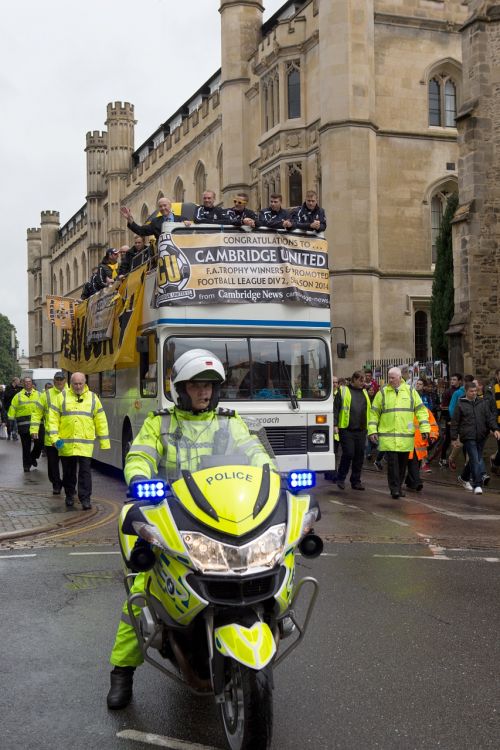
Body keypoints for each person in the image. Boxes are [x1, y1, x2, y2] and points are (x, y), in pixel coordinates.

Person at [106, 349, 275, 710]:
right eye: (198, 386)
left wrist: (269, 474)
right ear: (181, 389)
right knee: (143, 588)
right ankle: (122, 672)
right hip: (174, 514)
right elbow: (140, 455)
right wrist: (138, 477)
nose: (205, 393)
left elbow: (254, 452)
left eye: (210, 386)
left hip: (221, 515)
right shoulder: (161, 423)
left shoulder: (229, 422)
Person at [48, 372, 110, 509]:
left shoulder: (93, 398)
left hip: (85, 445)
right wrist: (55, 439)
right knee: (68, 473)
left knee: (85, 473)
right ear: (71, 383)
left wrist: (104, 441)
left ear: (85, 382)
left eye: (80, 383)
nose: (77, 386)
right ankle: (69, 495)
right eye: (75, 384)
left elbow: (101, 420)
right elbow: (52, 420)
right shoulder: (61, 397)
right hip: (65, 444)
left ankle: (85, 499)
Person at [368, 366, 430, 499]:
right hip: (389, 437)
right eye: (389, 377)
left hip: (405, 437)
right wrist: (372, 431)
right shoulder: (383, 393)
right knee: (392, 464)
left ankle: (398, 487)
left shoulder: (410, 391)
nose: (390, 380)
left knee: (402, 465)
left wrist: (425, 429)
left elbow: (421, 410)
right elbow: (373, 413)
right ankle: (394, 489)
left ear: (399, 377)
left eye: (393, 377)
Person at [451, 381, 500, 495]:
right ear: (466, 392)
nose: (474, 393)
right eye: (471, 391)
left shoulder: (483, 403)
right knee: (475, 459)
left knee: (475, 458)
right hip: (468, 436)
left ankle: (463, 478)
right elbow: (455, 422)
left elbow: (489, 418)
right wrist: (454, 438)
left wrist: (495, 429)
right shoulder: (460, 404)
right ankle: (477, 484)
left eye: (475, 391)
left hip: (482, 435)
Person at [30, 372, 68, 494]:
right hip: (51, 437)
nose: (59, 382)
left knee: (67, 464)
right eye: (56, 380)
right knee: (52, 464)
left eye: (61, 380)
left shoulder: (71, 394)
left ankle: (67, 485)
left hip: (65, 437)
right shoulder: (46, 395)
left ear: (65, 380)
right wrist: (34, 430)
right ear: (53, 381)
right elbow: (37, 414)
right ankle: (56, 483)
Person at [334, 371, 371, 490]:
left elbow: (369, 411)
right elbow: (336, 409)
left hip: (361, 430)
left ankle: (356, 481)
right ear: (353, 380)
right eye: (360, 380)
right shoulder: (343, 391)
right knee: (348, 453)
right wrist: (335, 424)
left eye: (364, 380)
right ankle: (341, 478)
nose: (363, 383)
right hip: (347, 429)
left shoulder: (365, 393)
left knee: (359, 456)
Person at [7, 377, 43, 472]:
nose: (27, 383)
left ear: (32, 383)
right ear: (23, 384)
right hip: (23, 425)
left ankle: (32, 457)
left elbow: (45, 407)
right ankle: (26, 466)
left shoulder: (39, 395)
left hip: (37, 424)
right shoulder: (18, 396)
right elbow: (13, 408)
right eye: (25, 382)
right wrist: (10, 420)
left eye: (29, 382)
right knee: (26, 446)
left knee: (39, 443)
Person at [120, 197, 188, 241]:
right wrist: (129, 219)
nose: (163, 208)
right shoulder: (155, 222)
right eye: (160, 206)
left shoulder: (182, 219)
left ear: (170, 206)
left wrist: (188, 225)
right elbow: (141, 231)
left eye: (165, 205)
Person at [405, 407, 439, 491]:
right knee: (413, 463)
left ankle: (411, 482)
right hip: (408, 442)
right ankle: (416, 482)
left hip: (419, 443)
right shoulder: (405, 408)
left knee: (415, 463)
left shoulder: (425, 410)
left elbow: (433, 425)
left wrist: (433, 436)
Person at [439, 372, 462, 467]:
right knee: (448, 439)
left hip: (461, 418)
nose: (452, 381)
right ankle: (442, 457)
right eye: (451, 379)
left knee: (462, 440)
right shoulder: (448, 392)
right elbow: (444, 407)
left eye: (454, 380)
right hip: (450, 418)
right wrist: (448, 419)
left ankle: (453, 459)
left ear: (459, 381)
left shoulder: (462, 391)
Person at [490, 368, 500, 475]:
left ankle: (495, 461)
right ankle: (495, 461)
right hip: (497, 424)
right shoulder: (492, 390)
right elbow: (490, 410)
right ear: (497, 376)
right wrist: (492, 427)